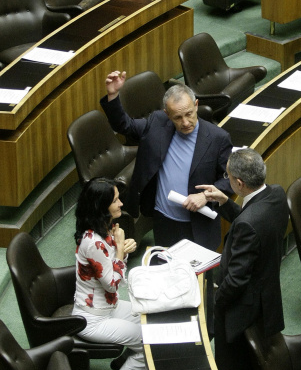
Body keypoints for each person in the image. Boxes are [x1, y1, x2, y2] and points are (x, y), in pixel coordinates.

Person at [197, 148, 288, 370]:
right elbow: (252, 223)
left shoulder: (250, 222)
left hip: (240, 311)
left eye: (227, 178)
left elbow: (235, 280)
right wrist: (226, 205)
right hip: (265, 300)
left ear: (237, 182)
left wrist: (211, 304)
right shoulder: (276, 196)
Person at [100, 70, 233, 251]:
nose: (185, 122)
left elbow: (228, 180)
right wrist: (113, 95)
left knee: (198, 277)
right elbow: (125, 125)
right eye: (177, 117)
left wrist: (205, 196)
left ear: (196, 105)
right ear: (167, 114)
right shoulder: (157, 122)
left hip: (199, 224)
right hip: (164, 220)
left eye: (189, 114)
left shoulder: (218, 138)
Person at [72, 177, 150, 370]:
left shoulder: (105, 229)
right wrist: (120, 250)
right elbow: (114, 282)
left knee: (152, 320)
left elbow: (113, 271)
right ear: (101, 206)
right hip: (93, 319)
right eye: (115, 199)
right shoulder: (92, 241)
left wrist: (123, 249)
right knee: (147, 343)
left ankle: (124, 362)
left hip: (109, 307)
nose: (121, 203)